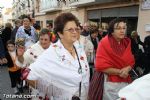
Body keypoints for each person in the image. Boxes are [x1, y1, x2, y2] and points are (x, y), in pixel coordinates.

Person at [17, 13, 90, 100]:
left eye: (76, 28)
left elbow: (85, 77)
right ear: (60, 33)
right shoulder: (52, 52)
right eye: (70, 29)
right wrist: (54, 92)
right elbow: (27, 74)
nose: (75, 32)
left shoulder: (79, 47)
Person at [88, 18, 135, 100]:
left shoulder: (126, 42)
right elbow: (100, 65)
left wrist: (127, 69)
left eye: (124, 28)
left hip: (124, 79)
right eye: (118, 28)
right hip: (108, 80)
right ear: (112, 31)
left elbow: (131, 61)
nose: (122, 31)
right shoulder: (104, 43)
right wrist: (120, 72)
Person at [16, 28, 52, 99]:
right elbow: (22, 62)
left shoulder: (55, 48)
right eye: (41, 39)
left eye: (45, 39)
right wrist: (20, 56)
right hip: (36, 84)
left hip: (52, 85)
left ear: (50, 39)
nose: (43, 42)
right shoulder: (32, 49)